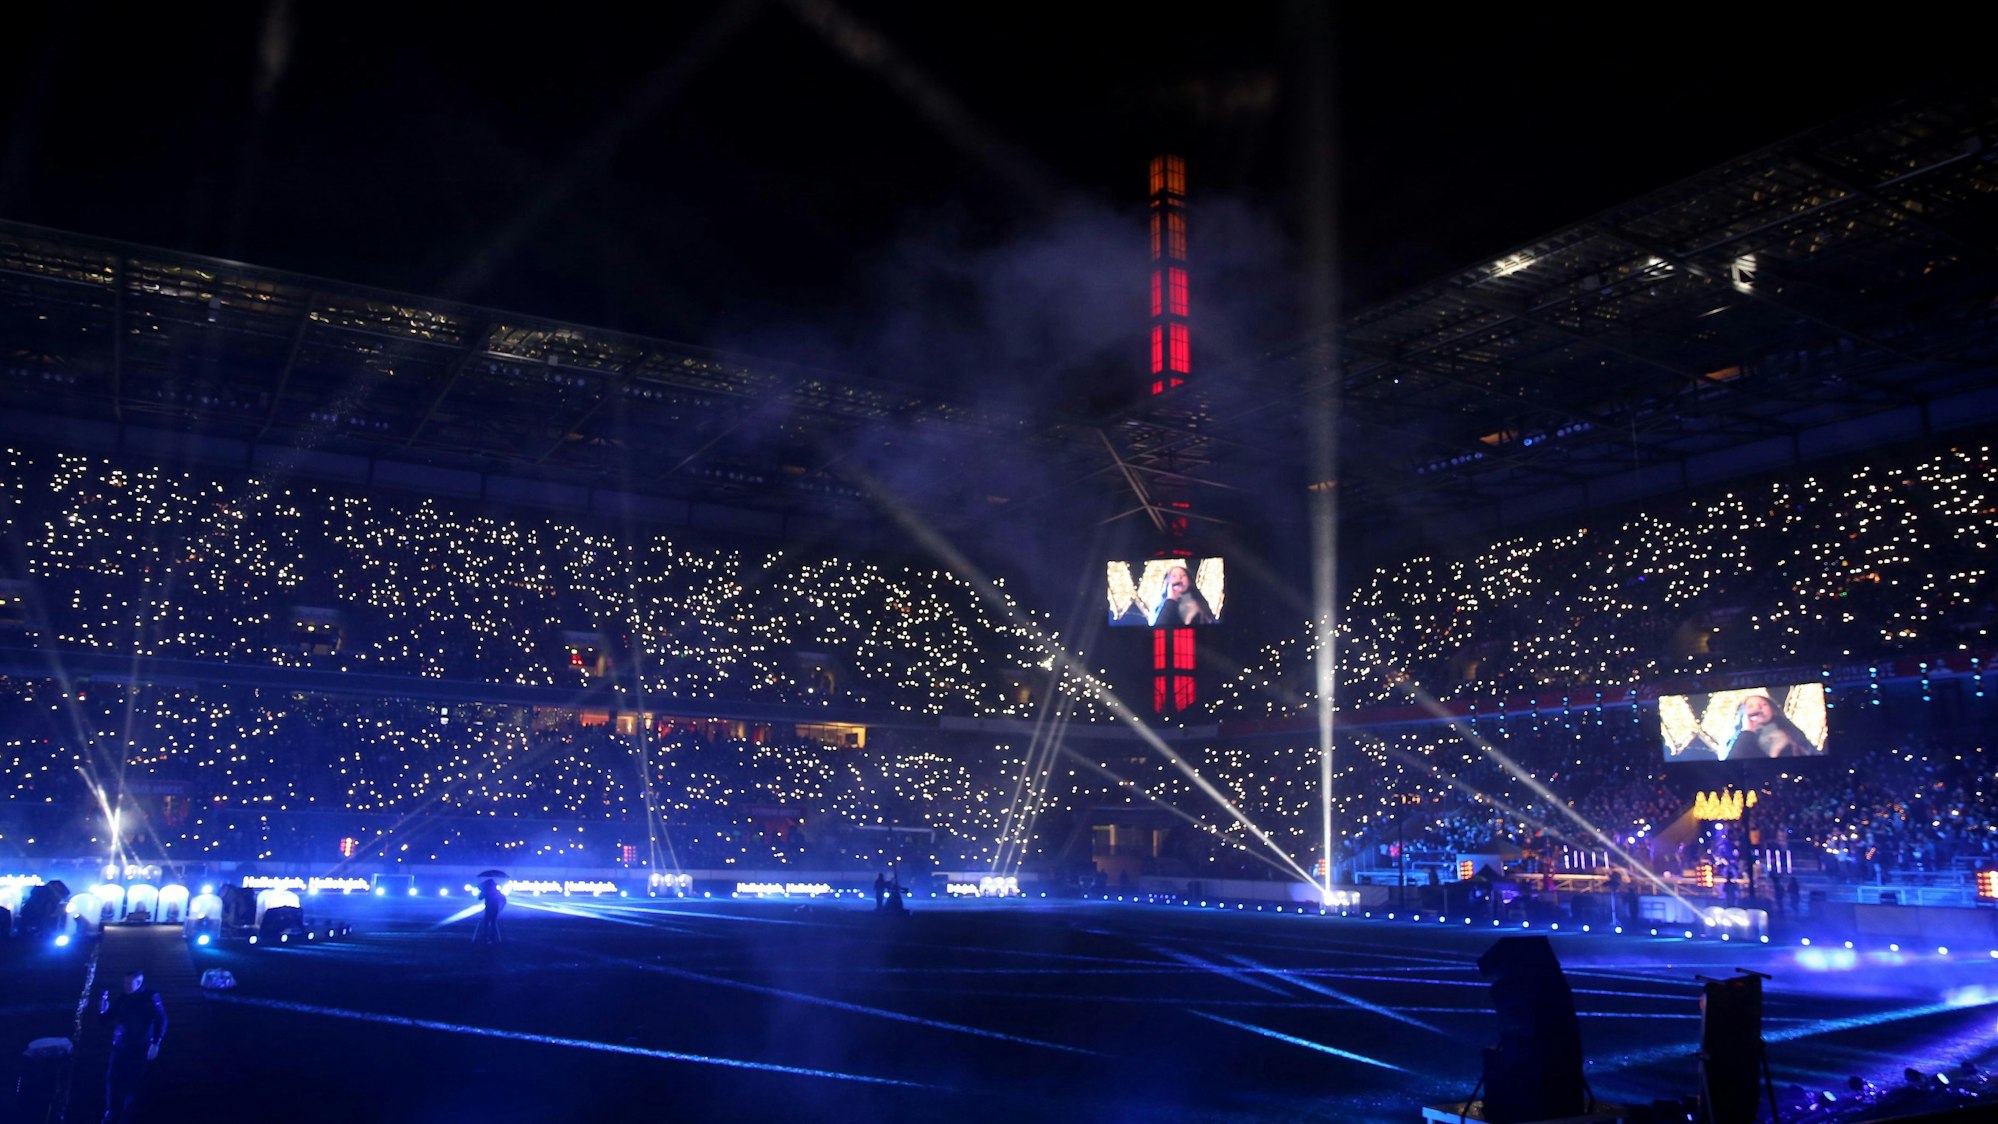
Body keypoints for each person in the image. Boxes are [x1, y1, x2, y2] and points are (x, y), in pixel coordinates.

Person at [99, 970, 167, 1124]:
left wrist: (156, 1043)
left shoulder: (150, 997)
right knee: (112, 1078)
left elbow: (162, 1020)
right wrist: (103, 1008)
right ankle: (111, 1111)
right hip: (120, 1046)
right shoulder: (123, 998)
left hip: (140, 1047)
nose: (126, 986)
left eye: (130, 983)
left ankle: (127, 1115)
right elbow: (105, 1019)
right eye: (125, 983)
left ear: (139, 983)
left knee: (134, 1081)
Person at [1727, 694, 1820, 759]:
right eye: (1751, 706)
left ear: (1773, 711)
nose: (1758, 708)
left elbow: (1811, 753)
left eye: (1764, 704)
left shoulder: (1789, 730)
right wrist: (1747, 732)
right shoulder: (1739, 739)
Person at [473, 878, 505, 945]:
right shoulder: (496, 891)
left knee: (487, 923)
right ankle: (491, 938)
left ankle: (487, 937)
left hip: (489, 909)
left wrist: (481, 890)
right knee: (492, 923)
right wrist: (501, 908)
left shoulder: (487, 891)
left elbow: (480, 898)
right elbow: (503, 899)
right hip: (494, 909)